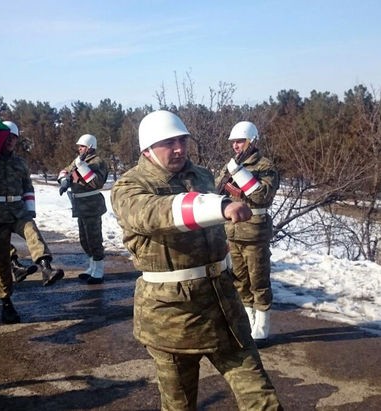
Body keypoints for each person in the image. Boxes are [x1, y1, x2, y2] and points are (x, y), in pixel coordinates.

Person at [110, 110, 282, 410]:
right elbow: (155, 212)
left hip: (223, 308)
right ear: (147, 149)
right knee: (179, 405)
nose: (179, 149)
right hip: (171, 318)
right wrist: (221, 204)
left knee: (262, 399)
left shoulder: (201, 175)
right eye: (169, 143)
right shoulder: (129, 187)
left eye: (182, 140)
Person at [0, 120, 64, 324]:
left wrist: (30, 211)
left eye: (13, 138)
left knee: (31, 229)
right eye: (6, 137)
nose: (9, 141)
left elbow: (27, 188)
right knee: (3, 261)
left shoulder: (20, 163)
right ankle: (6, 303)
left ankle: (45, 267)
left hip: (17, 211)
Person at [215, 121, 280, 347]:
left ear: (252, 141)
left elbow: (262, 196)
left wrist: (238, 173)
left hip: (254, 231)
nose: (236, 146)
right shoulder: (231, 165)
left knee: (258, 280)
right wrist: (230, 174)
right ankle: (248, 322)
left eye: (240, 141)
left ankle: (261, 328)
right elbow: (217, 188)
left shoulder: (265, 166)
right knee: (240, 280)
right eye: (233, 142)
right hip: (232, 232)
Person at [57, 134, 108, 284]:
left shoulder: (98, 162)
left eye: (82, 146)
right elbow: (64, 171)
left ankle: (98, 270)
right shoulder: (80, 160)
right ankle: (91, 267)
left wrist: (80, 166)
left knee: (94, 238)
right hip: (80, 205)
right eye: (79, 146)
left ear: (90, 147)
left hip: (92, 205)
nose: (79, 149)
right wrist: (65, 180)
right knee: (84, 239)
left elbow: (96, 182)